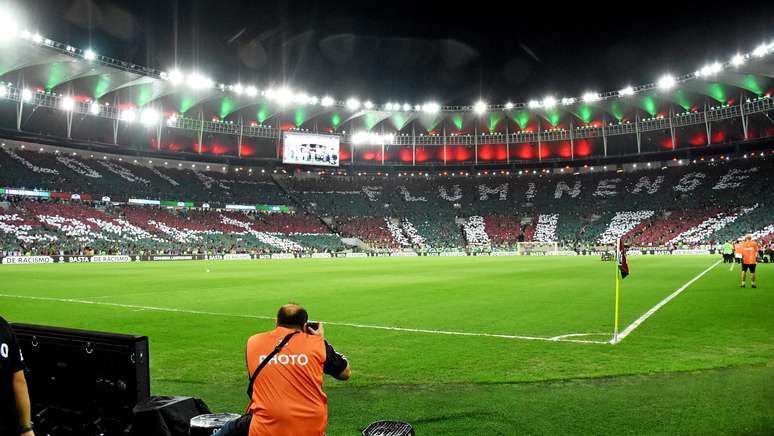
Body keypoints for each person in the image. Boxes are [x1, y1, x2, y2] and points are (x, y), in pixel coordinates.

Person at [214, 304, 351, 436]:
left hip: (266, 426)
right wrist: (320, 340)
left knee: (230, 428)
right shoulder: (317, 344)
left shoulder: (253, 342)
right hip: (311, 425)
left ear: (276, 322)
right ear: (305, 326)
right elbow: (345, 373)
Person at [0, 316, 34, 436]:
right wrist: (26, 429)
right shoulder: (3, 327)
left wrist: (26, 428)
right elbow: (19, 382)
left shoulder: (4, 327)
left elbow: (19, 381)